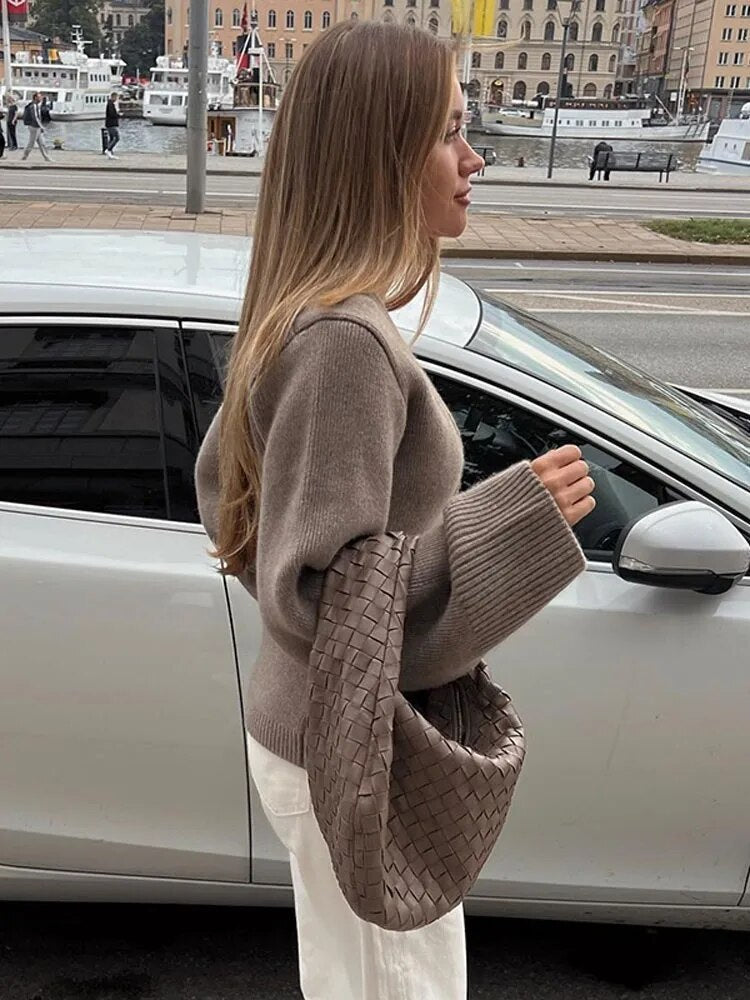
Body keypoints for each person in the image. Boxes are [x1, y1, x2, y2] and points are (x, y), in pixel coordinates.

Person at [195, 21, 594, 1000]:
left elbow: (232, 500)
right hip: (351, 750)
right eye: (449, 131)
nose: (475, 157)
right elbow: (319, 598)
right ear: (381, 155)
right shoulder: (344, 340)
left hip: (331, 738)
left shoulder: (311, 315)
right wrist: (513, 523)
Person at [21, 93, 51, 162]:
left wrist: (40, 126)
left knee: (42, 143)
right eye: (39, 97)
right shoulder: (33, 106)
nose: (41, 98)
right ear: (35, 98)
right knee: (31, 143)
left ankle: (47, 158)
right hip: (34, 127)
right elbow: (35, 117)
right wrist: (41, 126)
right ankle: (24, 156)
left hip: (37, 127)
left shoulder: (36, 105)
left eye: (41, 97)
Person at [104, 93, 121, 159]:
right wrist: (118, 114)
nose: (116, 99)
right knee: (117, 138)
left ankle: (110, 153)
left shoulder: (110, 104)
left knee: (111, 138)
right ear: (113, 97)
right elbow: (112, 114)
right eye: (116, 97)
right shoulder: (111, 104)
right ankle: (108, 150)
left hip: (109, 124)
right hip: (112, 124)